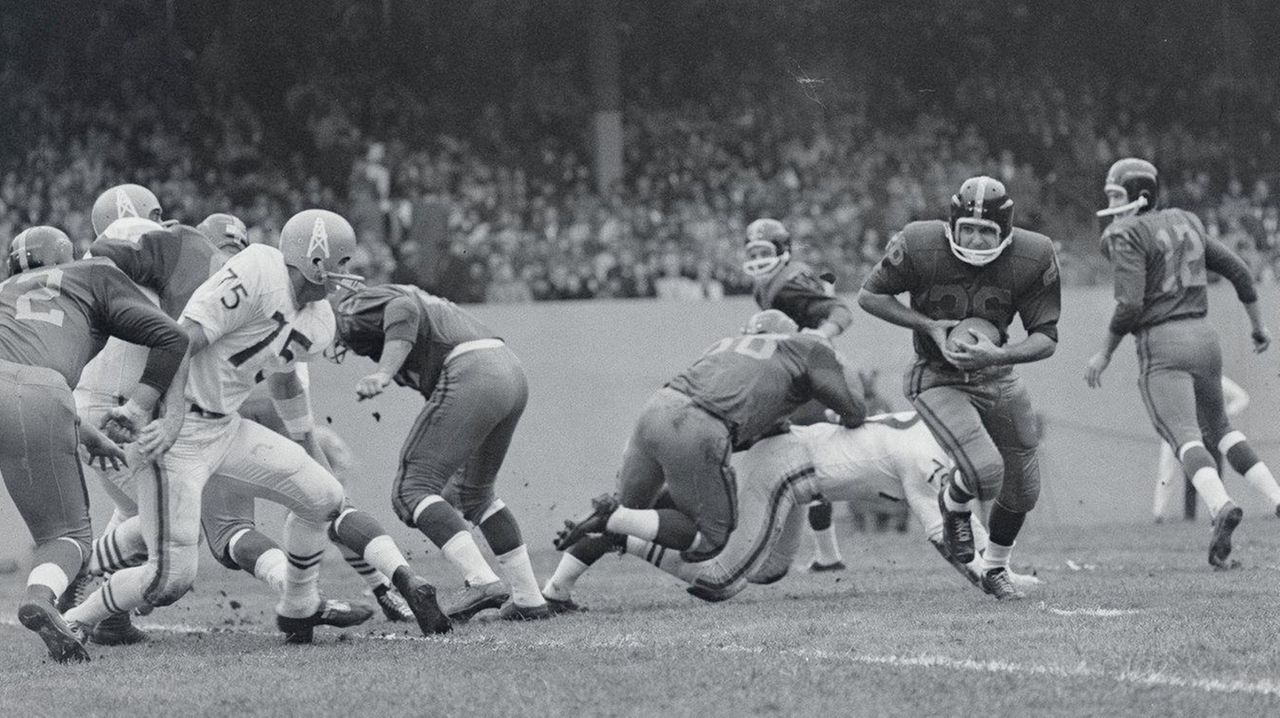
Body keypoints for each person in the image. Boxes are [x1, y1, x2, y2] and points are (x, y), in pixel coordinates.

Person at [65, 210, 451, 644]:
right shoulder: (258, 270)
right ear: (316, 260)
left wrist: (305, 442)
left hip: (226, 428)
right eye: (342, 262)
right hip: (181, 432)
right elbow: (181, 340)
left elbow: (284, 376)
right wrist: (163, 415)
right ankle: (77, 618)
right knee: (168, 579)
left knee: (323, 495)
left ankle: (299, 606)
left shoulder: (319, 320)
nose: (348, 274)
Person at [546, 309, 867, 611]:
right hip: (699, 426)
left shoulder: (726, 347)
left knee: (631, 515)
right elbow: (853, 410)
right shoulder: (800, 347)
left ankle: (554, 591)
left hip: (655, 410)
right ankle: (611, 517)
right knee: (708, 537)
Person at [542, 412, 1040, 606]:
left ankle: (611, 542)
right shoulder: (929, 456)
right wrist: (994, 581)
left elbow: (958, 521)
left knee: (773, 569)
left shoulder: (934, 431)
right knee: (718, 579)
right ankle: (619, 530)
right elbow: (946, 535)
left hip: (797, 471)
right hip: (786, 468)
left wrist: (1001, 570)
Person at [858, 176, 1061, 601]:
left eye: (986, 231)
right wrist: (929, 325)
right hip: (937, 374)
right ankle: (954, 505)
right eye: (967, 228)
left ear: (1005, 232)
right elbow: (870, 296)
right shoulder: (919, 242)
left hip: (996, 373)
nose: (974, 238)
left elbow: (1046, 338)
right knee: (984, 471)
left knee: (1023, 486)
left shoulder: (1034, 254)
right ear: (951, 224)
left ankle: (996, 568)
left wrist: (998, 356)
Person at [0, 226, 189, 663]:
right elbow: (172, 338)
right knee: (64, 535)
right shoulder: (93, 273)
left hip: (33, 397)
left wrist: (83, 431)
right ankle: (41, 596)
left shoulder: (6, 291)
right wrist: (140, 407)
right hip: (39, 396)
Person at [1085, 158, 1278, 569]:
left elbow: (1130, 305)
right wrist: (1258, 328)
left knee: (1185, 436)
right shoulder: (1187, 220)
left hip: (1163, 341)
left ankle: (1219, 504)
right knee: (1222, 428)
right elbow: (1241, 273)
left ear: (1140, 196)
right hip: (1206, 337)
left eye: (1117, 196)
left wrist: (1104, 351)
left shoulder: (1126, 233)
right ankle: (1277, 498)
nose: (1111, 204)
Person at [330, 281, 549, 620]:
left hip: (472, 371)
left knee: (411, 490)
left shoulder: (346, 308)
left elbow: (403, 309)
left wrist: (384, 373)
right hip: (508, 370)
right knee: (473, 494)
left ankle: (481, 581)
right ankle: (529, 599)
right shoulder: (382, 307)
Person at [741, 220, 855, 572]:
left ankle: (815, 554)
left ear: (783, 251)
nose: (759, 259)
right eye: (754, 252)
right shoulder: (773, 284)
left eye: (765, 252)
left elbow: (840, 312)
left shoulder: (789, 283)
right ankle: (827, 556)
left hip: (807, 382)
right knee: (801, 466)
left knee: (800, 463)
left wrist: (819, 335)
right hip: (796, 380)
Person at [1151, 376, 1252, 522]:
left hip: (1201, 431)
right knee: (1167, 472)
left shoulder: (1212, 376)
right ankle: (1160, 514)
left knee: (1206, 472)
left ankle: (1218, 512)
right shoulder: (1173, 376)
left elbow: (1242, 397)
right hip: (1175, 427)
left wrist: (1224, 415)